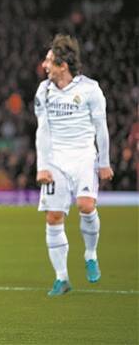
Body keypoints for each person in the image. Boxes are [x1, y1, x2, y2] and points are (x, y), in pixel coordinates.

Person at [34, 34, 113, 296]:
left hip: (83, 156)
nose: (44, 65)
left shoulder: (90, 89)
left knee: (86, 205)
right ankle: (62, 278)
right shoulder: (43, 91)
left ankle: (90, 254)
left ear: (63, 65)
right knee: (54, 217)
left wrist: (104, 162)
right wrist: (42, 165)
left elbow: (101, 127)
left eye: (49, 60)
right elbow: (42, 130)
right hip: (55, 159)